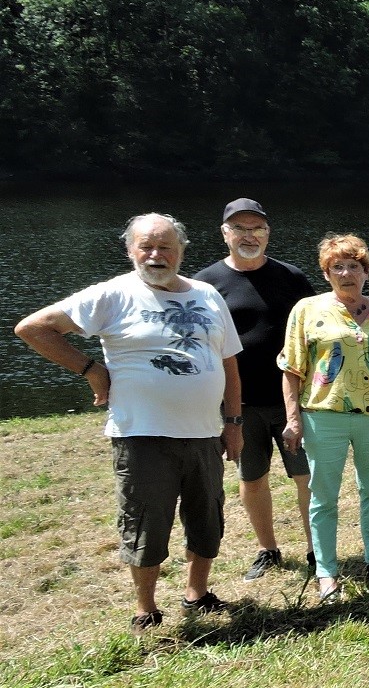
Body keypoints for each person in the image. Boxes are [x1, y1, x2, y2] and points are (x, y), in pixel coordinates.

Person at [16, 213, 243, 632]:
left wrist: (233, 421)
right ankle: (146, 609)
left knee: (207, 519)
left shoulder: (208, 294)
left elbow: (228, 361)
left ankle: (197, 593)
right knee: (145, 523)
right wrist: (90, 369)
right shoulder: (112, 294)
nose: (156, 255)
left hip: (204, 433)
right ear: (130, 250)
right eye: (146, 247)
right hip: (142, 435)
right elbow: (33, 328)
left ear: (181, 250)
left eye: (165, 247)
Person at [279, 234, 369, 601]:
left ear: (365, 272)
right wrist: (293, 419)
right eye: (337, 267)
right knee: (324, 497)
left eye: (354, 266)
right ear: (326, 274)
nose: (346, 273)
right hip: (325, 417)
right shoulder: (306, 310)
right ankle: (326, 570)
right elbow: (291, 368)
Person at [194, 198, 317, 581]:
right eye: (240, 229)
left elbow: (316, 329)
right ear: (225, 233)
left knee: (307, 477)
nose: (249, 236)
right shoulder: (205, 284)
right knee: (252, 478)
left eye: (257, 228)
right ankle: (268, 549)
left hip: (293, 400)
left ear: (268, 233)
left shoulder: (291, 277)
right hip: (240, 403)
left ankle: (317, 551)